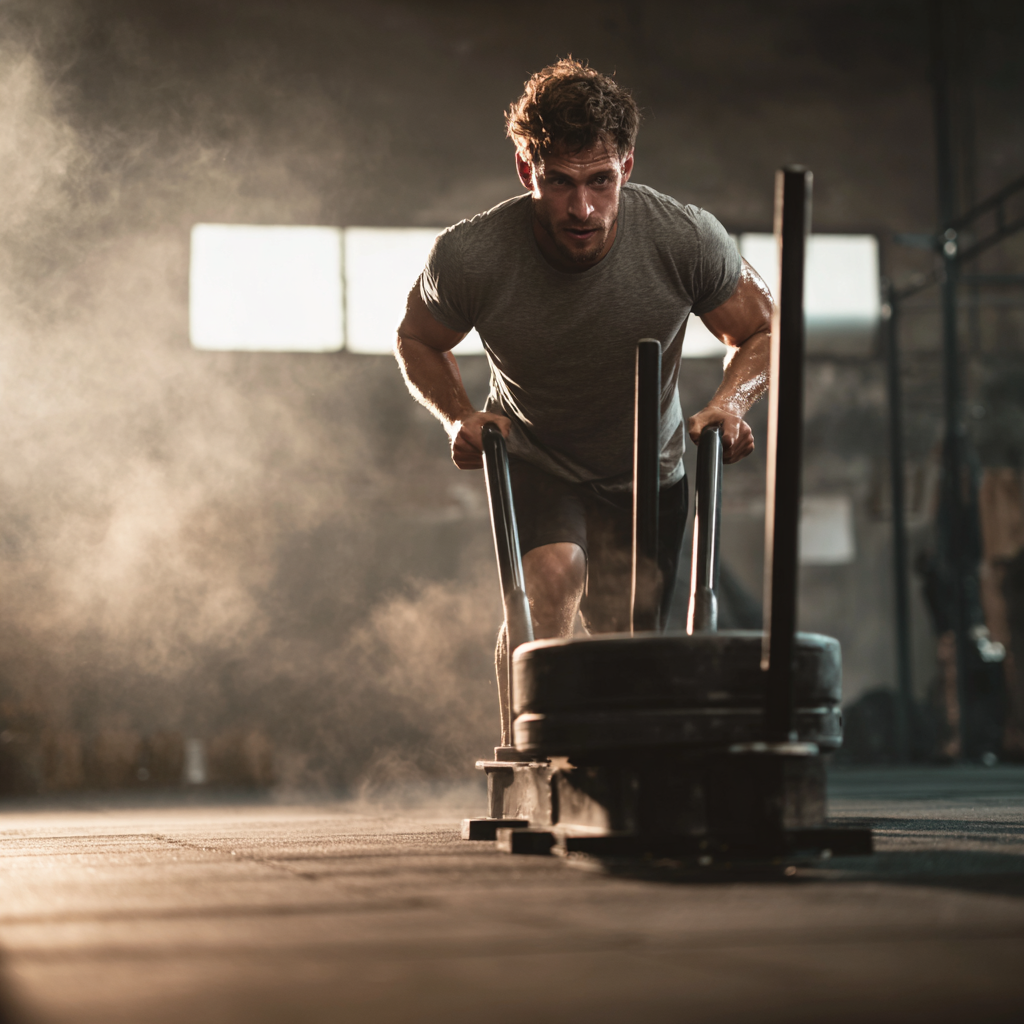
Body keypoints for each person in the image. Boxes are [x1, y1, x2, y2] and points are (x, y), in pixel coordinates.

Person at [395, 59, 773, 744]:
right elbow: (416, 340)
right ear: (525, 171)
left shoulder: (684, 238)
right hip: (540, 455)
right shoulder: (471, 255)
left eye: (601, 181)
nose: (582, 209)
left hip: (648, 470)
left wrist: (733, 402)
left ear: (627, 165)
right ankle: (538, 750)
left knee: (628, 643)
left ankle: (615, 767)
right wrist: (458, 415)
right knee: (550, 580)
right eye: (560, 183)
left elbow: (762, 329)